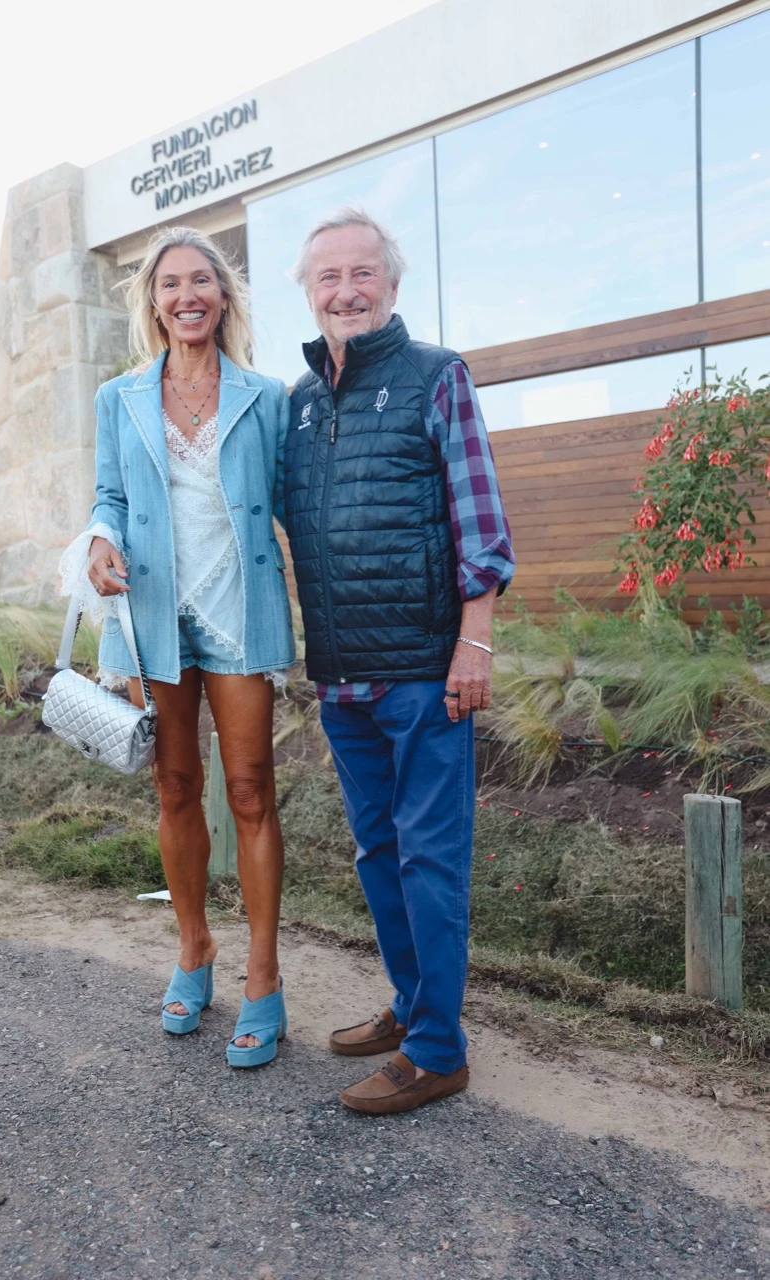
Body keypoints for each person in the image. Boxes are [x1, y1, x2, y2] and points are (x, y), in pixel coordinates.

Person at [281, 208, 514, 1114]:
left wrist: (474, 640)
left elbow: (480, 520)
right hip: (342, 676)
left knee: (429, 860)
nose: (345, 290)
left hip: (424, 672)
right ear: (308, 291)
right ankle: (417, 1007)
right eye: (327, 277)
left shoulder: (436, 377)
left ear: (391, 282)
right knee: (378, 855)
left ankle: (437, 1052)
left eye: (361, 273)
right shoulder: (299, 403)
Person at [60, 227, 294, 1067]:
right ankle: (194, 948)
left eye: (202, 281)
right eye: (170, 284)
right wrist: (97, 540)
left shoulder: (266, 396)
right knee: (173, 783)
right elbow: (109, 496)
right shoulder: (118, 397)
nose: (186, 295)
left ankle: (263, 978)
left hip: (239, 609)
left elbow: (292, 503)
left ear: (223, 295)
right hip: (152, 613)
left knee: (250, 788)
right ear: (152, 302)